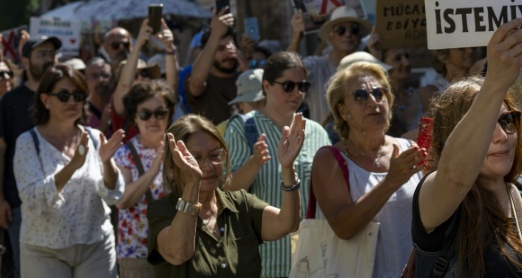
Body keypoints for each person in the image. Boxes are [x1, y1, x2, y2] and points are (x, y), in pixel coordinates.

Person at [412, 20, 522, 277]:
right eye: (485, 127)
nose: (500, 136)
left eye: (506, 121)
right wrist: (495, 81)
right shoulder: (435, 200)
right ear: (451, 137)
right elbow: (455, 176)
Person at [147, 113, 304, 277]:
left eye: (215, 155)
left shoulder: (239, 203)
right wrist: (193, 182)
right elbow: (178, 253)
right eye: (195, 158)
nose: (207, 166)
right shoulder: (162, 210)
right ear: (173, 167)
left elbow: (287, 223)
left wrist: (287, 168)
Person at [311, 61, 426, 278]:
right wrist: (390, 182)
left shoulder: (410, 150)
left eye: (378, 93)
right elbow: (343, 228)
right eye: (360, 96)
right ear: (343, 110)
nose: (373, 101)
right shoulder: (330, 159)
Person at [224, 52, 330, 277]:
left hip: (313, 260)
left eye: (302, 86)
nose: (297, 93)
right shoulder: (244, 128)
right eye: (288, 86)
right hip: (263, 260)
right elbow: (227, 191)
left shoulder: (317, 131)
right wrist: (254, 163)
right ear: (267, 86)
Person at [13, 64, 125, 277]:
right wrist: (73, 165)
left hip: (95, 245)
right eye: (64, 95)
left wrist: (108, 163)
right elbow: (33, 199)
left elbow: (112, 194)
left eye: (78, 95)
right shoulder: (28, 143)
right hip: (44, 251)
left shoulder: (93, 137)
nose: (72, 101)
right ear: (45, 100)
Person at [0, 35, 60, 278]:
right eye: (41, 54)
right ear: (25, 61)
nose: (48, 59)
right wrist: (1, 198)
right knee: (25, 271)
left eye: (51, 54)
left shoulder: (64, 96)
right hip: (20, 204)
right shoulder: (10, 101)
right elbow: (1, 151)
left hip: (61, 201)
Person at [114, 81, 173, 278]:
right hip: (137, 253)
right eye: (145, 114)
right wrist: (152, 171)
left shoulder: (181, 150)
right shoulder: (124, 154)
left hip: (176, 249)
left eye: (160, 113)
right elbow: (122, 200)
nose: (153, 119)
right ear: (135, 117)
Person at [289, 5, 372, 124]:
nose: (348, 34)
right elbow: (288, 72)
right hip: (323, 140)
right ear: (330, 36)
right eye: (341, 30)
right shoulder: (316, 65)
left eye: (354, 29)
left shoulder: (367, 66)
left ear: (359, 36)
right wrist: (296, 37)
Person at [112, 19, 177, 139]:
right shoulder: (122, 107)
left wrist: (169, 48)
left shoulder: (161, 99)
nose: (141, 77)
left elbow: (172, 87)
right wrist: (139, 43)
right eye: (134, 75)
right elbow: (125, 86)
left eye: (145, 73)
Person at [184, 10, 239, 125]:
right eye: (220, 49)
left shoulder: (243, 77)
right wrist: (215, 35)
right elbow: (197, 82)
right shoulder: (206, 83)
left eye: (230, 47)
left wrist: (242, 59)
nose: (227, 53)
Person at [380, 48, 423, 139]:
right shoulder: (377, 102)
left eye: (407, 57)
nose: (406, 63)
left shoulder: (423, 95)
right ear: (382, 65)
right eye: (398, 59)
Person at [215, 68, 266, 135]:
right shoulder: (224, 130)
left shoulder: (281, 123)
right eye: (255, 103)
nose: (261, 108)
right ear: (240, 104)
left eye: (265, 102)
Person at [84, 57, 112, 133]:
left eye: (105, 75)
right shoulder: (81, 111)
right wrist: (103, 125)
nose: (100, 80)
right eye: (94, 76)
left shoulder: (119, 105)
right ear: (86, 81)